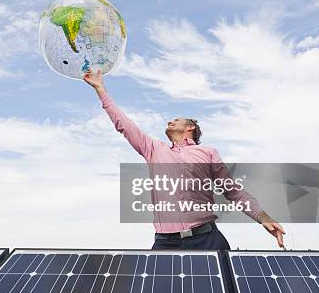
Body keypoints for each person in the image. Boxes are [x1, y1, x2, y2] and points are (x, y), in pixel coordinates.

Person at [83, 69, 285, 251]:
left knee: (222, 291)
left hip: (207, 239)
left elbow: (233, 192)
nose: (170, 121)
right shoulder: (153, 149)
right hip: (165, 243)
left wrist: (263, 217)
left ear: (190, 128)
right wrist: (101, 89)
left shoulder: (208, 152)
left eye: (176, 120)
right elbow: (124, 125)